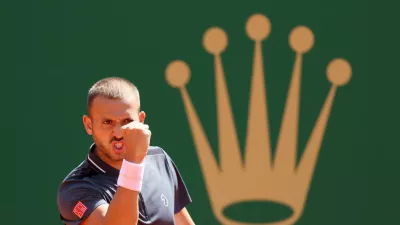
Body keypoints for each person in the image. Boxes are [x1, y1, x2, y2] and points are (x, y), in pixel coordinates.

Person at [57, 77, 195, 225]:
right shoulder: (74, 189)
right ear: (89, 125)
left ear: (141, 120)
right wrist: (133, 163)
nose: (118, 133)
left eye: (127, 121)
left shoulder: (159, 158)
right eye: (107, 122)